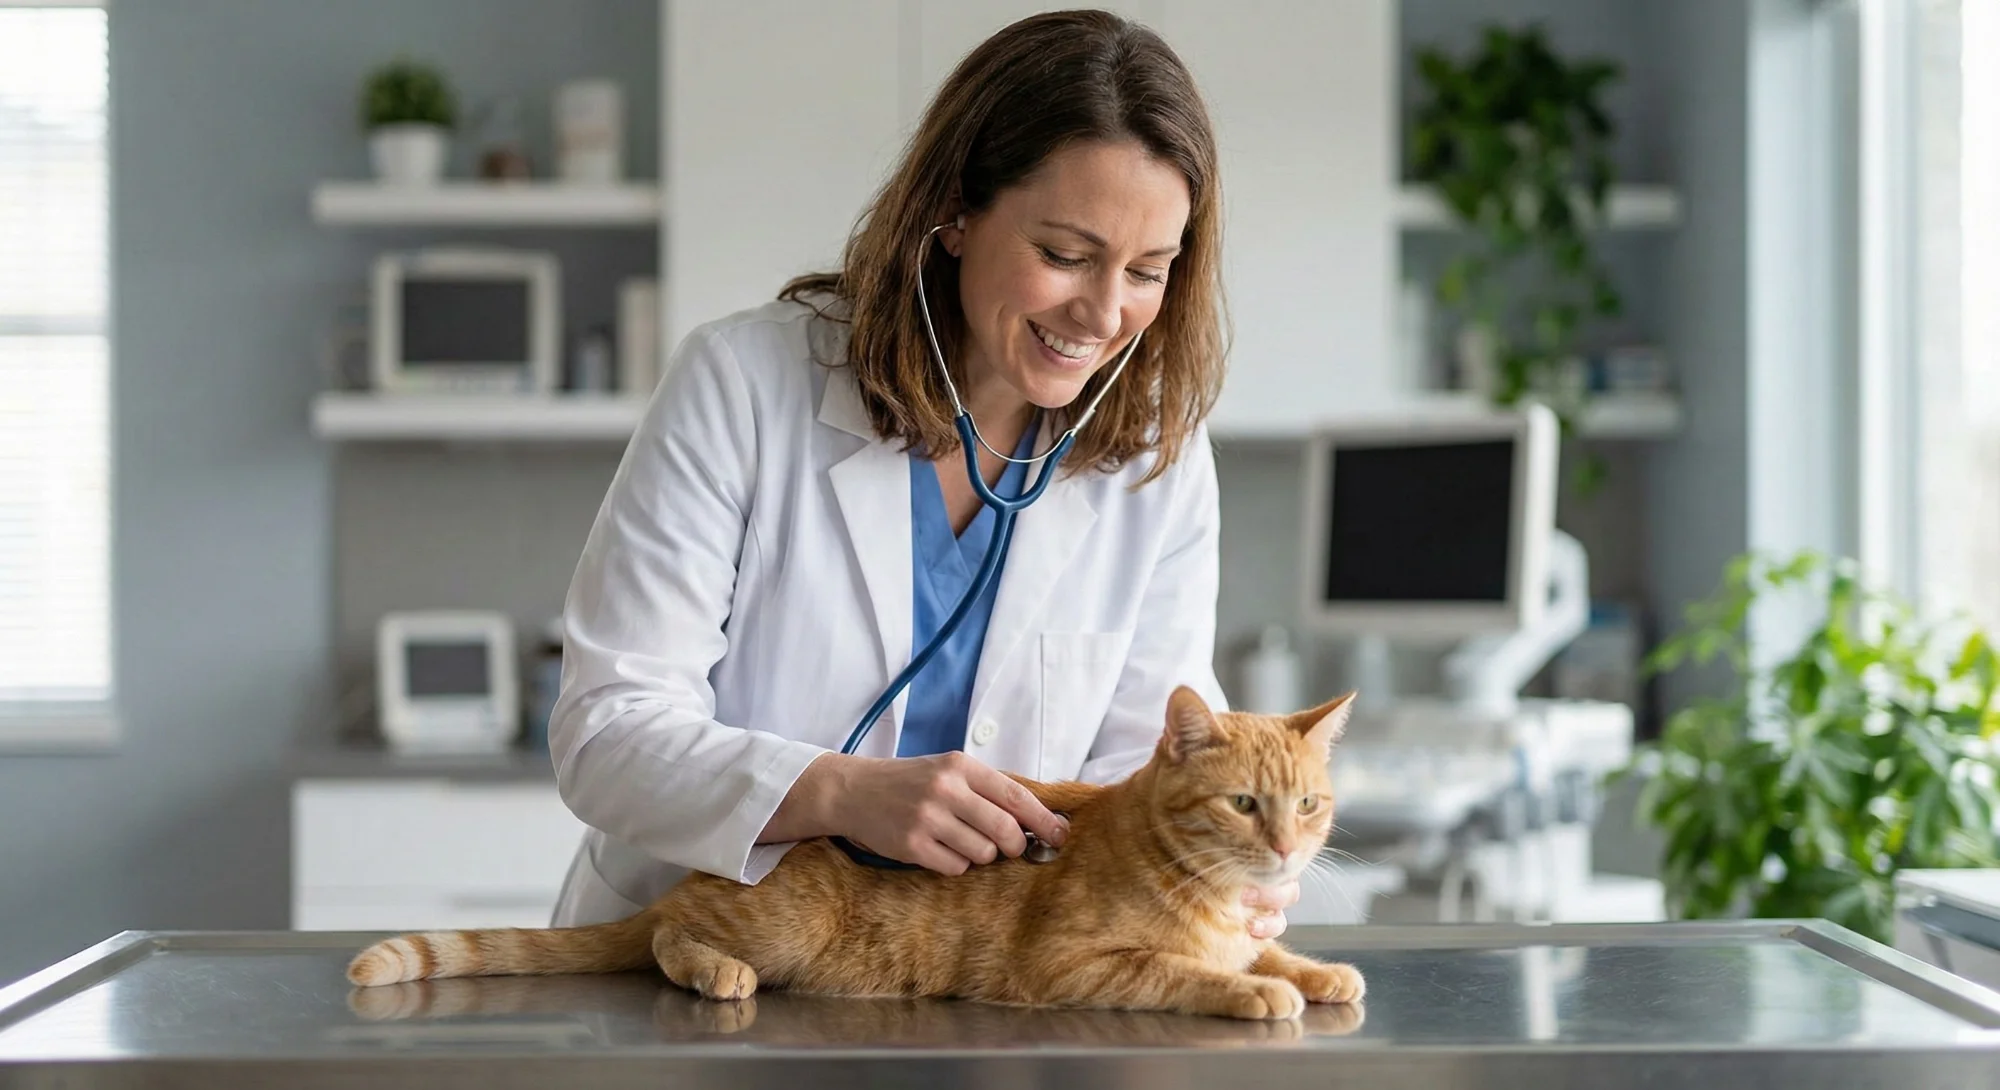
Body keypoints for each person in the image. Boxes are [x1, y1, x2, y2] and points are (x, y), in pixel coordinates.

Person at [547, 9, 1299, 940]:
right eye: (1065, 255)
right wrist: (838, 793)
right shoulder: (742, 385)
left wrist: (1212, 870)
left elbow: (1149, 764)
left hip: (994, 979)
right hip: (709, 959)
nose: (1104, 314)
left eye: (1148, 270)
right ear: (955, 211)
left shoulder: (1156, 456)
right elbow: (608, 734)